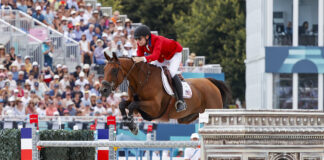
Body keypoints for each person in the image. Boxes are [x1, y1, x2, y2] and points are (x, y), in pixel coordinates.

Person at [132, 25, 186, 112]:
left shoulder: (157, 40)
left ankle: (181, 101)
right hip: (162, 57)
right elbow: (140, 56)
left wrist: (141, 59)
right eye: (136, 39)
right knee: (153, 70)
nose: (138, 41)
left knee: (171, 73)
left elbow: (154, 56)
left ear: (147, 37)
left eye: (139, 39)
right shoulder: (141, 44)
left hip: (174, 54)